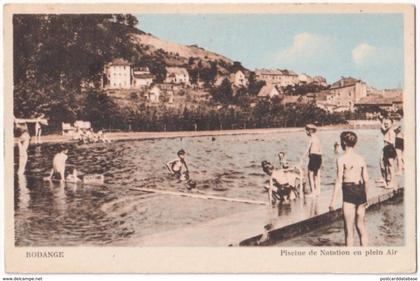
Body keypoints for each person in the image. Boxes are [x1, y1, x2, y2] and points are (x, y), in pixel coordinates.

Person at [329, 131, 369, 247]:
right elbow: (366, 180)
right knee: (361, 227)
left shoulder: (341, 159)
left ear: (344, 143)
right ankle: (366, 255)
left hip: (349, 193)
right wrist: (366, 198)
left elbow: (338, 181)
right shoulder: (360, 158)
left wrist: (332, 202)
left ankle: (349, 259)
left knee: (348, 231)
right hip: (360, 192)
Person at [302, 124, 322, 195]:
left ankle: (313, 191)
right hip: (319, 157)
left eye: (306, 131)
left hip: (313, 156)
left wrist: (302, 157)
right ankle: (318, 190)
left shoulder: (311, 139)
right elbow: (320, 149)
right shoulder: (317, 139)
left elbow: (308, 148)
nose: (306, 132)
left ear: (309, 131)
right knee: (316, 174)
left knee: (310, 174)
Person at [380, 117, 397, 188]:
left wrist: (386, 140)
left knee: (390, 166)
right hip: (386, 149)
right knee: (383, 165)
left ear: (391, 124)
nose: (386, 125)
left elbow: (392, 142)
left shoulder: (391, 131)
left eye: (387, 124)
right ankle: (386, 181)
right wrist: (381, 121)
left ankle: (391, 182)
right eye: (385, 124)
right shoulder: (387, 130)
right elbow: (382, 129)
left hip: (390, 149)